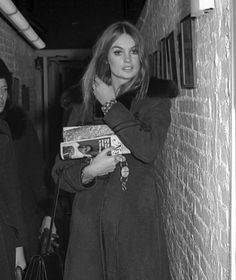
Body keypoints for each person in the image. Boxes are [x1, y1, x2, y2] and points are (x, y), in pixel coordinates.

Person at [52, 21, 179, 280]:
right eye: (118, 52)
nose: (128, 60)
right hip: (90, 231)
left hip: (135, 230)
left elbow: (148, 149)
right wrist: (88, 172)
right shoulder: (82, 104)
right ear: (105, 58)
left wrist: (111, 105)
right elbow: (59, 174)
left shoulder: (154, 101)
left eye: (134, 51)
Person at [0, 58, 53, 263]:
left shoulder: (18, 124)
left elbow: (37, 172)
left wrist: (48, 215)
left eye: (4, 89)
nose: (1, 96)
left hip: (23, 217)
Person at [0, 119, 27, 279]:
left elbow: (12, 191)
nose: (1, 96)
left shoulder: (3, 128)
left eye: (4, 91)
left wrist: (19, 245)